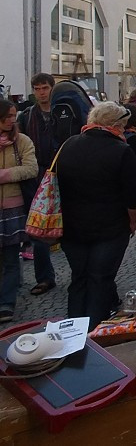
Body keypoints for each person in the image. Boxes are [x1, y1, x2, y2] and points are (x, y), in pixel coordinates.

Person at [54, 102, 136, 328]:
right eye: (122, 126)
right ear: (114, 125)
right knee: (100, 280)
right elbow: (133, 196)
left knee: (79, 278)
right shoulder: (121, 150)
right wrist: (132, 222)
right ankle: (95, 333)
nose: (124, 130)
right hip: (109, 228)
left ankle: (72, 332)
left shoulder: (69, 145)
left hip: (72, 228)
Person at [16, 72, 57, 295]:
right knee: (39, 230)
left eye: (45, 88)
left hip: (61, 172)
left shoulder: (62, 112)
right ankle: (45, 277)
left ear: (52, 88)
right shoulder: (27, 116)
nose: (41, 92)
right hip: (37, 175)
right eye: (37, 89)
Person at [0, 98, 38, 324]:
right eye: (6, 117)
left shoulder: (21, 141)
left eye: (13, 116)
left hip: (14, 208)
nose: (11, 121)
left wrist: (3, 175)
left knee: (11, 258)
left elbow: (31, 168)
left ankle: (6, 303)